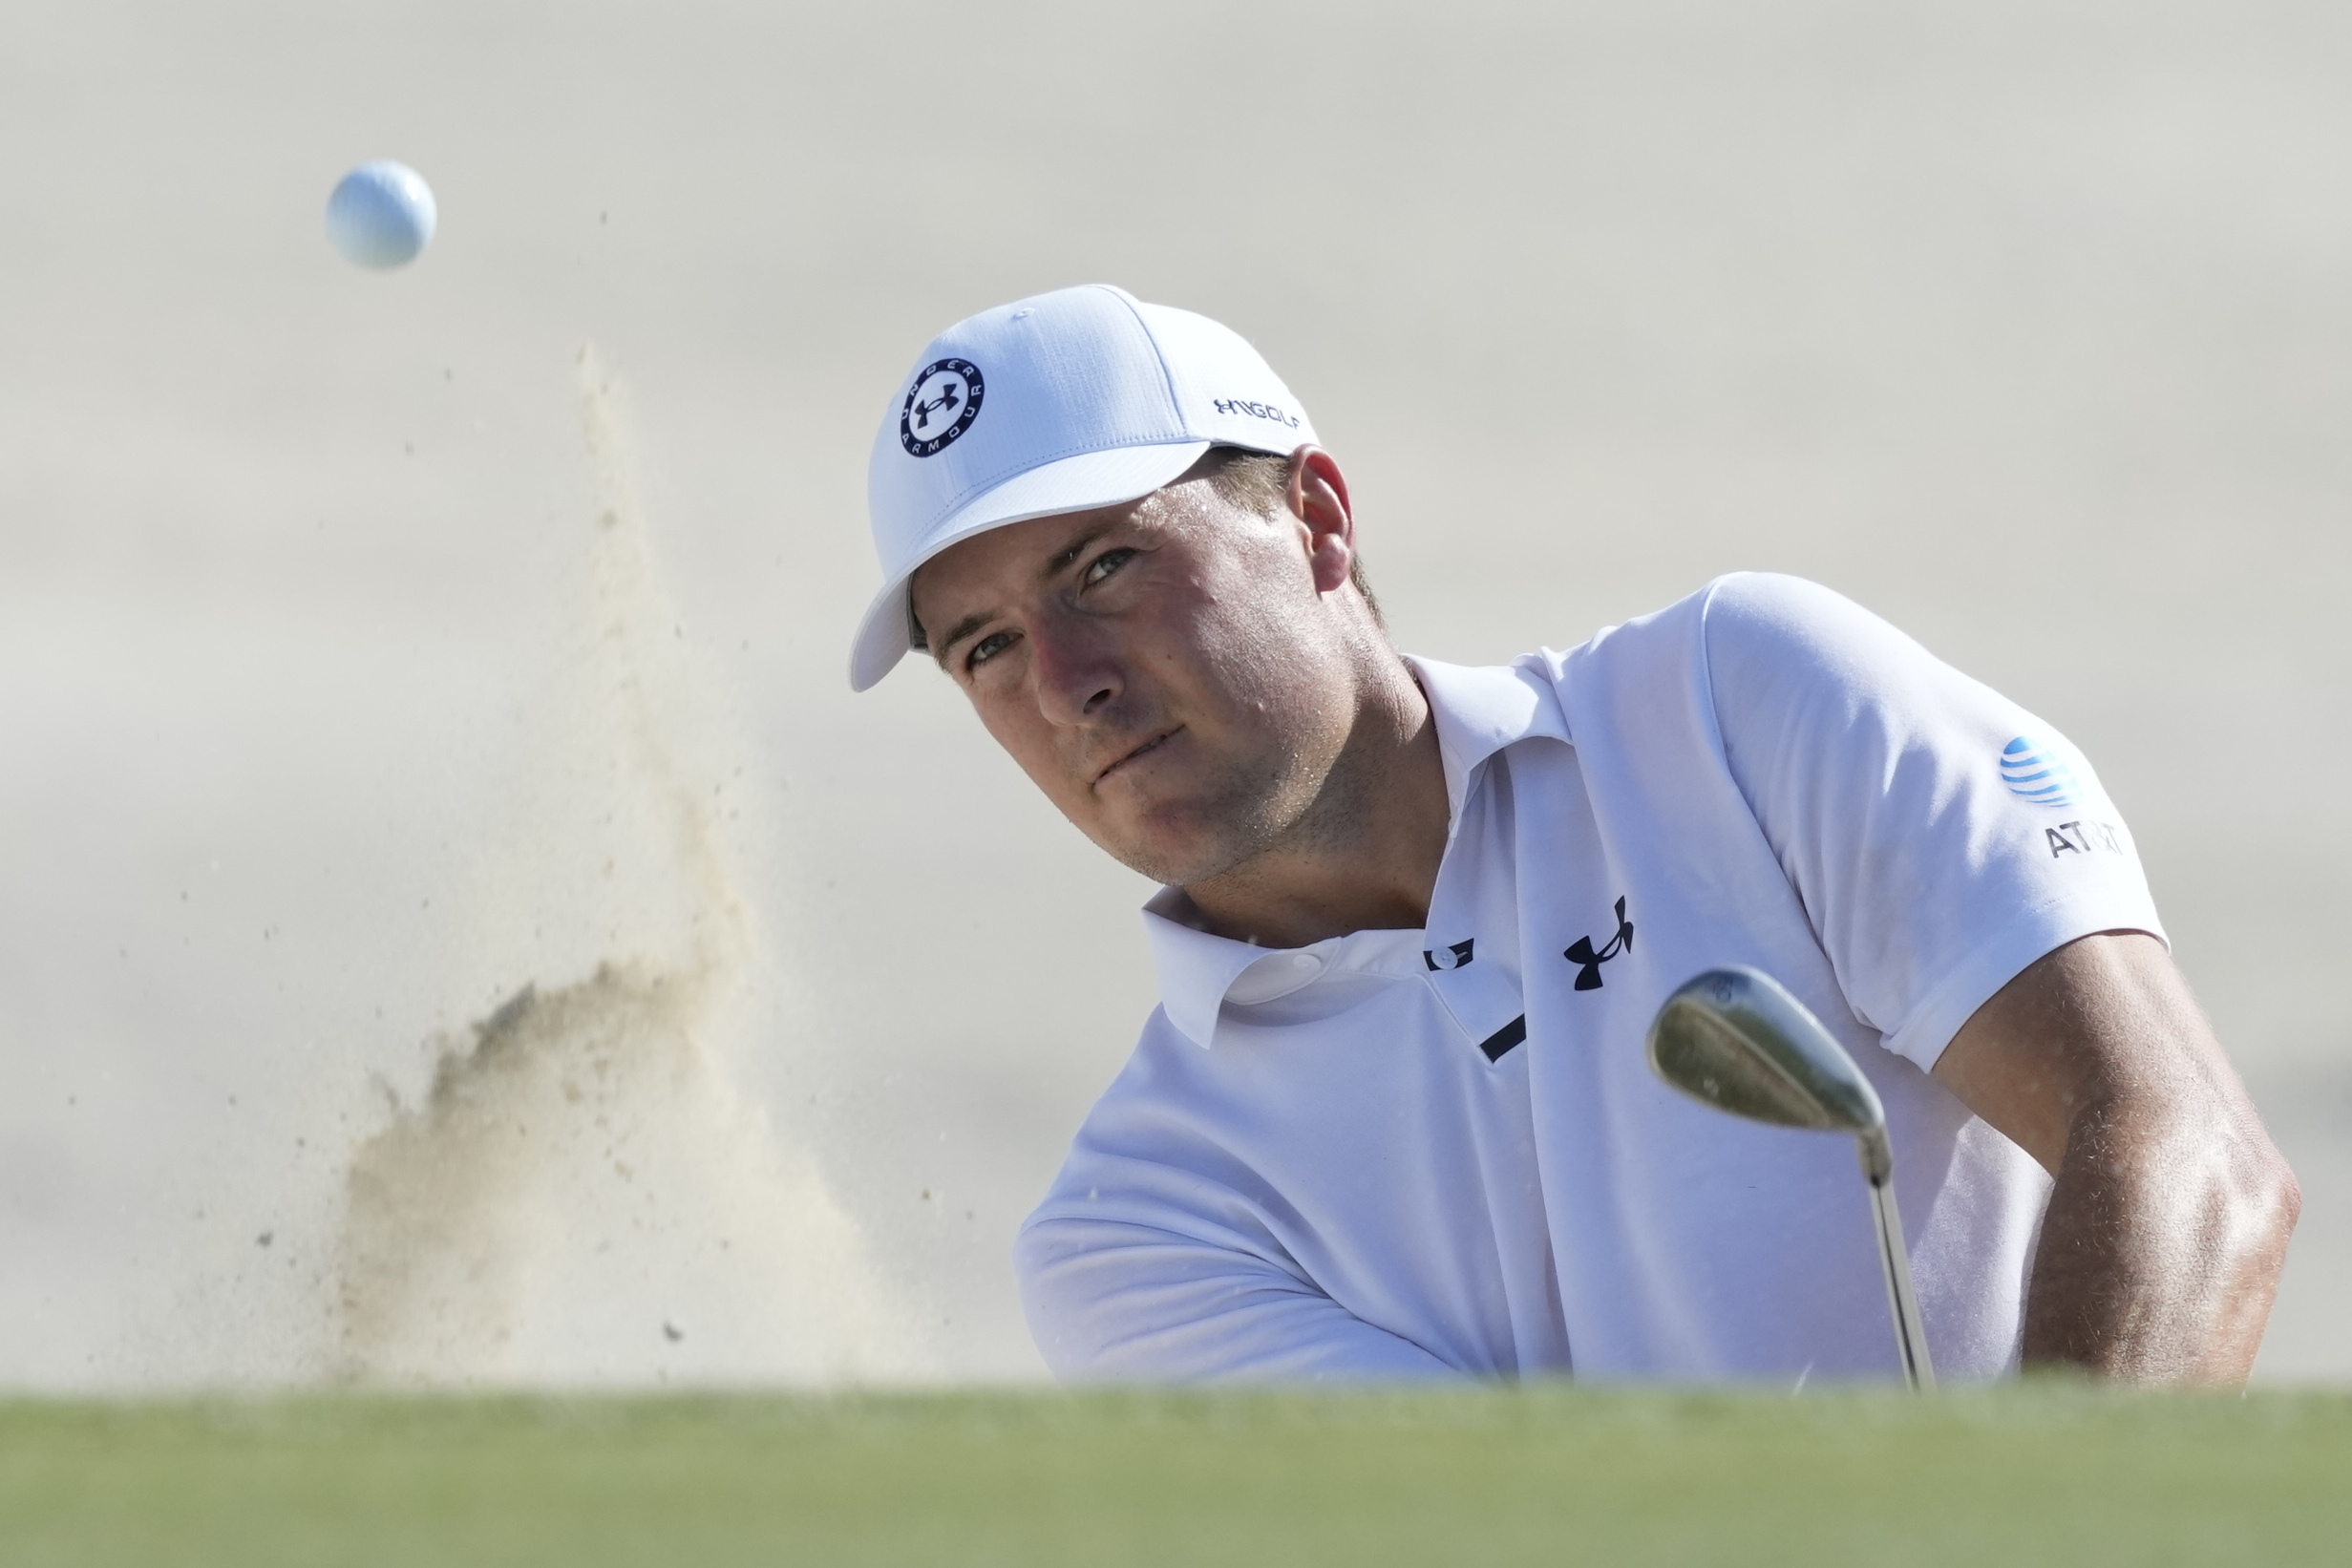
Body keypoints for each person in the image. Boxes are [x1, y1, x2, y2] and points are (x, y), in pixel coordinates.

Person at [848, 284, 2299, 1384]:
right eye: (981, 647)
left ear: (1319, 519)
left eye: (1106, 566)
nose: (1064, 684)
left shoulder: (1743, 702)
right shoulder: (1139, 1230)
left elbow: (2183, 1150)